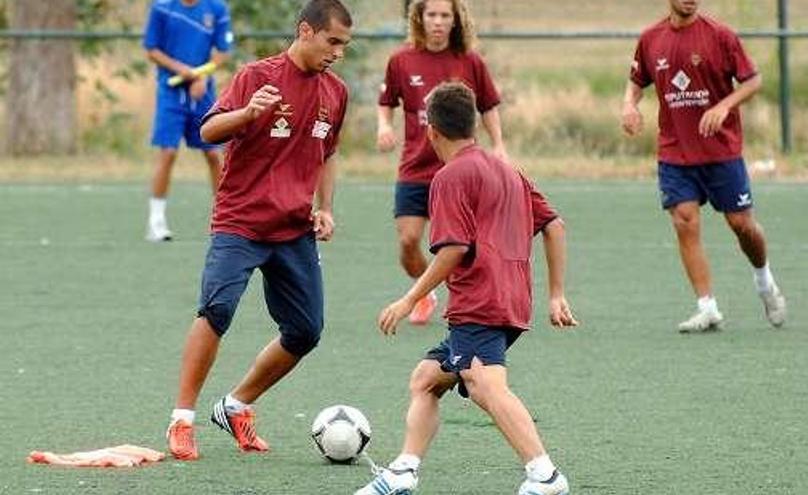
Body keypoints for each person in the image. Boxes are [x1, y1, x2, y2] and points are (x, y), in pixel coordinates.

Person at [356, 82, 577, 495]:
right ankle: (404, 471)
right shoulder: (507, 169)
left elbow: (454, 249)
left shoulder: (450, 176)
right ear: (473, 124)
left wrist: (410, 299)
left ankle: (545, 475)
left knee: (486, 386)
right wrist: (557, 293)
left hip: (480, 300)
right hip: (511, 299)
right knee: (426, 379)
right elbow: (555, 225)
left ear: (430, 131)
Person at [164, 0, 353, 460]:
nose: (338, 53)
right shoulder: (256, 76)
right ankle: (182, 419)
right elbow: (209, 131)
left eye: (345, 46)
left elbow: (327, 154)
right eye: (332, 42)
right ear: (305, 31)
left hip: (293, 229)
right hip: (241, 221)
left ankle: (235, 405)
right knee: (216, 310)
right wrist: (247, 113)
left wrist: (324, 207)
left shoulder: (337, 92)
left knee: (306, 331)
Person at [621, 0, 787, 333]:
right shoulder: (651, 38)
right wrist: (628, 104)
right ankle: (707, 307)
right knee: (684, 221)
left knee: (742, 225)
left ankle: (764, 281)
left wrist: (724, 106)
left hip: (721, 152)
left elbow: (753, 81)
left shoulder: (720, 36)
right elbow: (637, 80)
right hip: (675, 153)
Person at [377, 0, 507, 325]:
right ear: (419, 19)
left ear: (455, 20)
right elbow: (386, 103)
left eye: (444, 15)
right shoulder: (401, 60)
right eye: (431, 15)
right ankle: (425, 291)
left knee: (468, 247)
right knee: (408, 241)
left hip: (461, 170)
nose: (437, 21)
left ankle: (479, 303)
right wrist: (384, 126)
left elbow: (488, 106)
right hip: (415, 169)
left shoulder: (470, 62)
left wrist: (500, 146)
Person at [143, 0, 234, 242]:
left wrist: (201, 76)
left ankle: (224, 220)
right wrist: (180, 69)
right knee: (168, 153)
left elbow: (223, 52)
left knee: (214, 155)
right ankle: (156, 222)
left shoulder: (216, 9)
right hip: (170, 92)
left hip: (203, 92)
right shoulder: (162, 7)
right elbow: (151, 49)